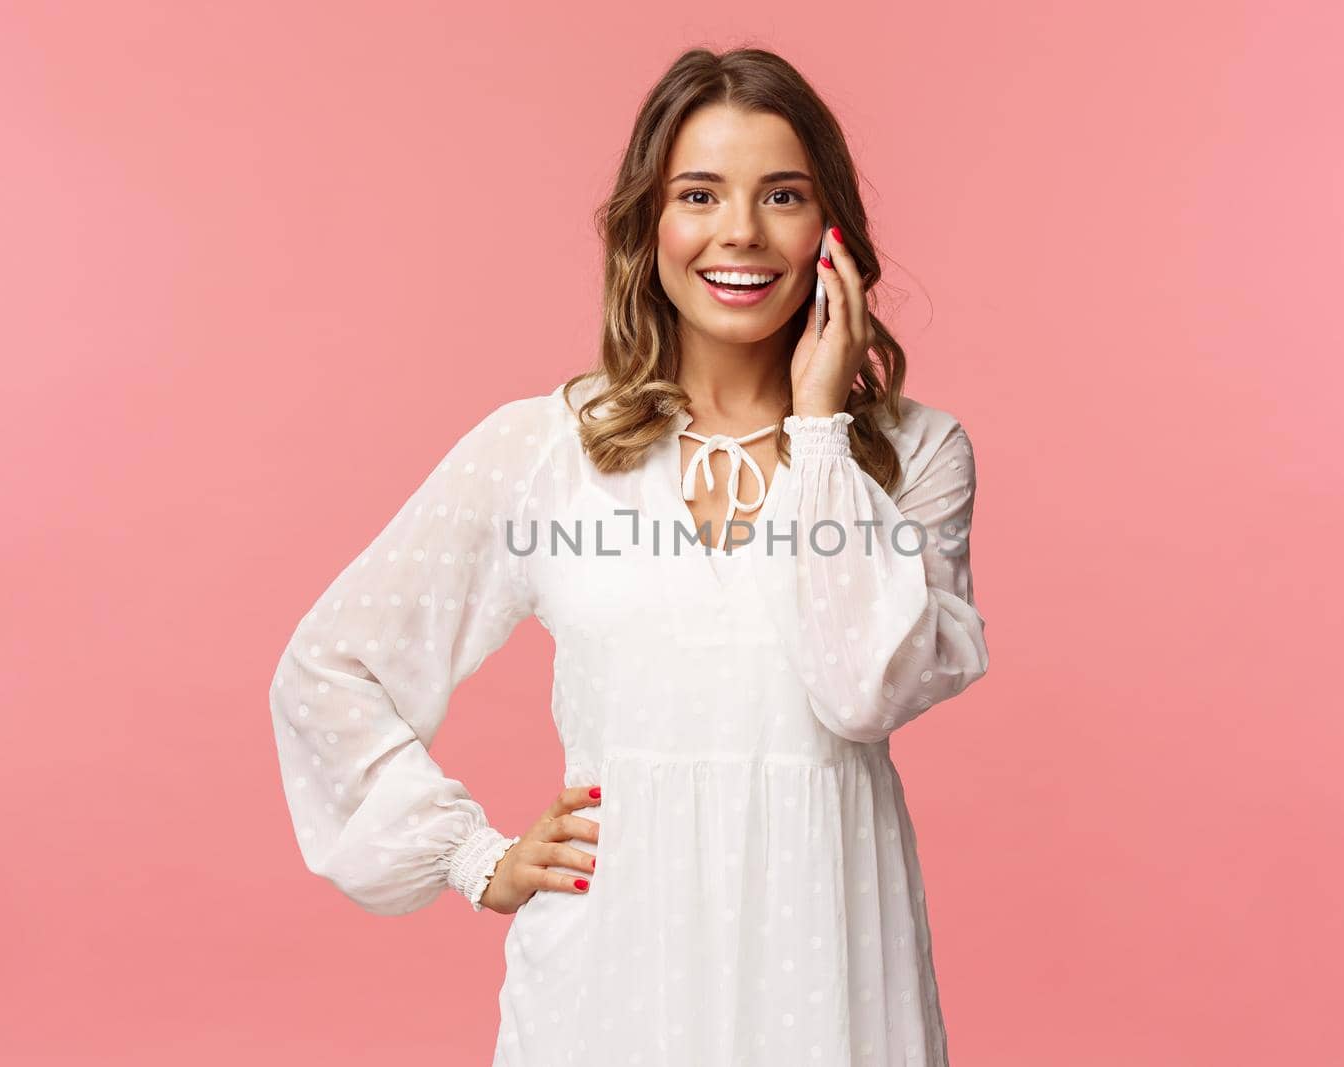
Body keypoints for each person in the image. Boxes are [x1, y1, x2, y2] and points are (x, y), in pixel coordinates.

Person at [267, 46, 990, 1066]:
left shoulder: (915, 455)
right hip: (611, 974)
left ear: (831, 233)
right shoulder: (542, 448)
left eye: (780, 195)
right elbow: (330, 664)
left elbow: (858, 691)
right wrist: (475, 857)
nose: (739, 231)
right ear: (649, 224)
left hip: (827, 961)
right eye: (700, 193)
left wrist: (821, 431)